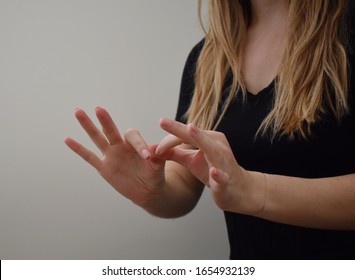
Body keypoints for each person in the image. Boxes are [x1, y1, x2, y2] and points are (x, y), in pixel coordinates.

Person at [64, 0, 355, 259]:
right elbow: (186, 181)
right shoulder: (208, 58)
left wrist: (256, 191)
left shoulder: (347, 33)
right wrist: (153, 191)